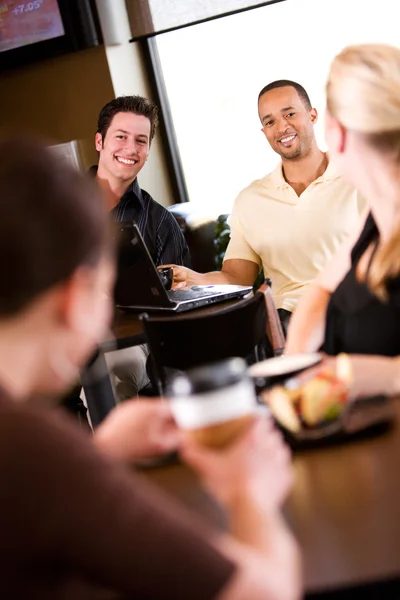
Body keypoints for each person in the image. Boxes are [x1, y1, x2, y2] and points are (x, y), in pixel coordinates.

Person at [0, 136, 300, 599]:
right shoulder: (32, 447)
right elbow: (265, 592)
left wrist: (100, 454)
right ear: (76, 298)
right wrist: (250, 495)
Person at [166, 80, 366, 333]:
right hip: (289, 323)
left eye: (290, 114)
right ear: (264, 131)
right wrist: (192, 277)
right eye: (270, 121)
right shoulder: (251, 199)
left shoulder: (359, 178)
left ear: (312, 115)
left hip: (357, 311)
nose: (282, 127)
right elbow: (237, 278)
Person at [285, 43, 400, 400]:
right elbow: (322, 289)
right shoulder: (377, 215)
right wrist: (294, 365)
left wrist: (377, 376)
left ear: (337, 133)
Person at [91, 95, 191, 399]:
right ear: (100, 142)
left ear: (147, 151)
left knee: (110, 370)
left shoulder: (161, 222)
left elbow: (175, 306)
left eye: (141, 140)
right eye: (120, 137)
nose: (130, 149)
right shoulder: (60, 205)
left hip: (128, 342)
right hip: (58, 334)